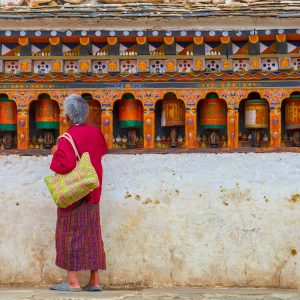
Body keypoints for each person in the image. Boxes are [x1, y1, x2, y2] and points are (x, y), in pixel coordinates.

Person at [49, 94, 108, 292]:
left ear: (67, 118)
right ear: (85, 115)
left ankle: (72, 281)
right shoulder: (96, 132)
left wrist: (55, 152)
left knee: (69, 234)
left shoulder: (67, 138)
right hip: (93, 190)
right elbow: (102, 150)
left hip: (74, 195)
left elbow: (64, 166)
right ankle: (94, 281)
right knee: (92, 234)